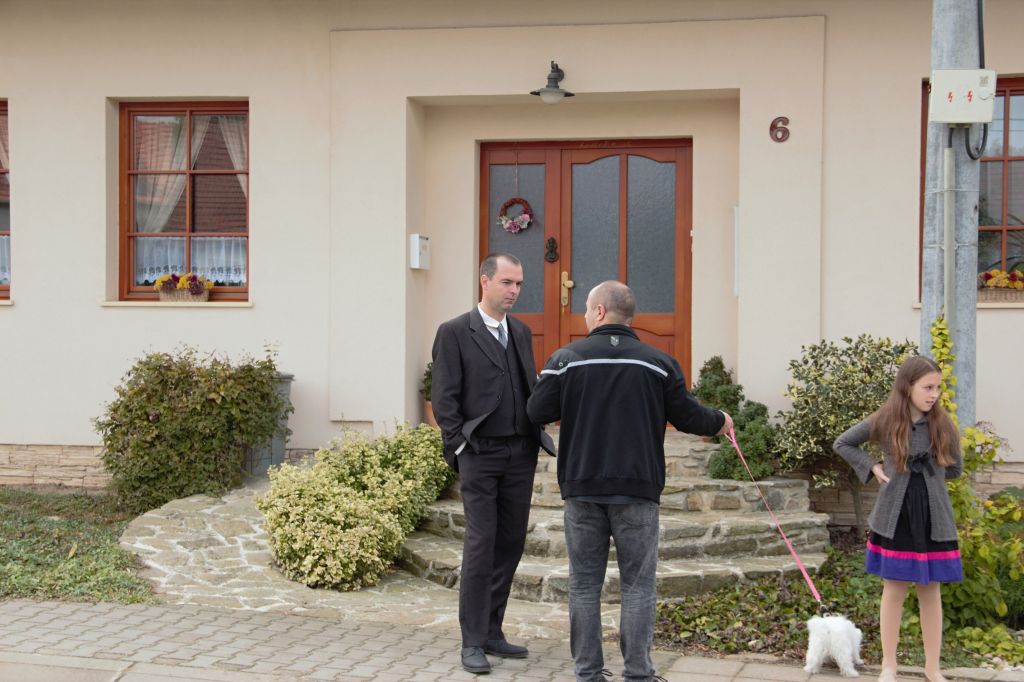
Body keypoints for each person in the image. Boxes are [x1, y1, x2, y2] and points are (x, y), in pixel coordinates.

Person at [526, 280, 732, 682]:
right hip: (638, 491)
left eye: (587, 308)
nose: (585, 315)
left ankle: (588, 674)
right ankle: (638, 674)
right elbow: (689, 416)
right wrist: (720, 421)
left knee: (584, 585)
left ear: (600, 312)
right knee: (638, 586)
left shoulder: (565, 360)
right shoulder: (659, 362)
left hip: (582, 488)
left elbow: (537, 411)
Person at [430, 252, 555, 675]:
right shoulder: (454, 332)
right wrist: (460, 446)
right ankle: (472, 642)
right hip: (480, 454)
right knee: (481, 545)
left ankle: (492, 631)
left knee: (511, 543)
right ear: (484, 281)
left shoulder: (520, 331)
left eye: (518, 283)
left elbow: (527, 386)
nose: (514, 290)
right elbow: (444, 398)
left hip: (520, 452)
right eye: (506, 282)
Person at [833, 356, 963, 682]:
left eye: (937, 388)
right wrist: (872, 466)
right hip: (896, 515)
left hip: (933, 518)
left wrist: (930, 474)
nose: (934, 394)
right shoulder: (886, 419)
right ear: (907, 387)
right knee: (894, 590)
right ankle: (888, 665)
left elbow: (956, 468)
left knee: (930, 591)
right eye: (927, 387)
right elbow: (843, 442)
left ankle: (932, 668)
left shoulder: (944, 425)